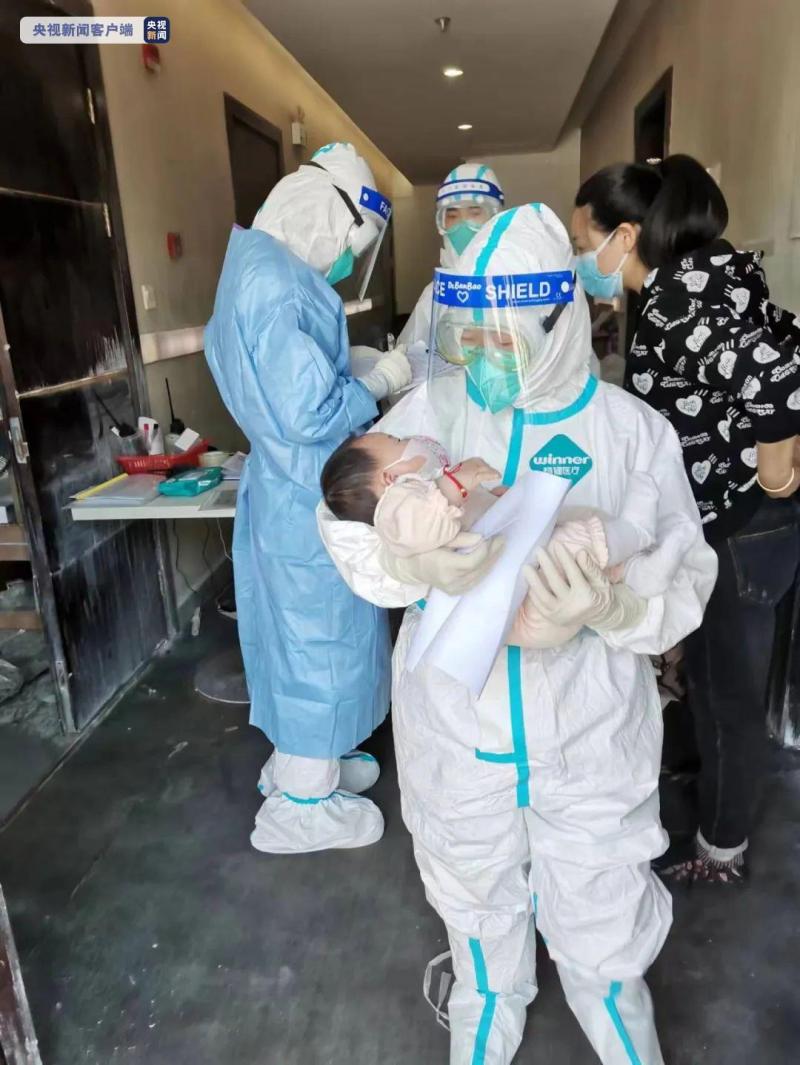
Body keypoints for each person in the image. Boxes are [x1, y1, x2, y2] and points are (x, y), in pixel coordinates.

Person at [318, 203, 716, 1063]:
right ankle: (488, 996)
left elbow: (683, 568)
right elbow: (343, 518)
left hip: (589, 730)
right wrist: (412, 562)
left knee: (601, 900)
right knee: (473, 889)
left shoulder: (629, 432)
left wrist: (614, 611)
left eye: (503, 340)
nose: (481, 359)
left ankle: (609, 996)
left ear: (559, 322)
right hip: (457, 730)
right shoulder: (431, 410)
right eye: (469, 338)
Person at [572, 153, 800, 883]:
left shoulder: (675, 301)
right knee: (705, 671)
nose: (582, 260)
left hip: (740, 522)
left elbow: (780, 378)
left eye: (583, 241)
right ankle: (705, 784)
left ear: (625, 236)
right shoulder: (710, 278)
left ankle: (720, 849)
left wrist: (775, 470)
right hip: (734, 518)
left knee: (728, 691)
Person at [204, 143, 418, 854]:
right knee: (317, 642)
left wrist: (345, 367)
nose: (348, 261)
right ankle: (301, 802)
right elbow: (306, 412)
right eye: (351, 244)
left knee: (301, 640)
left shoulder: (257, 267)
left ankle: (307, 756)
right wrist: (376, 382)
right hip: (305, 491)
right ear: (327, 214)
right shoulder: (275, 283)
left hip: (287, 486)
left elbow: (287, 382)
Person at [397, 163, 505, 376]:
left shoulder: (517, 285)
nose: (462, 226)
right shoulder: (436, 294)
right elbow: (406, 363)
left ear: (496, 218)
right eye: (452, 216)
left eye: (475, 213)